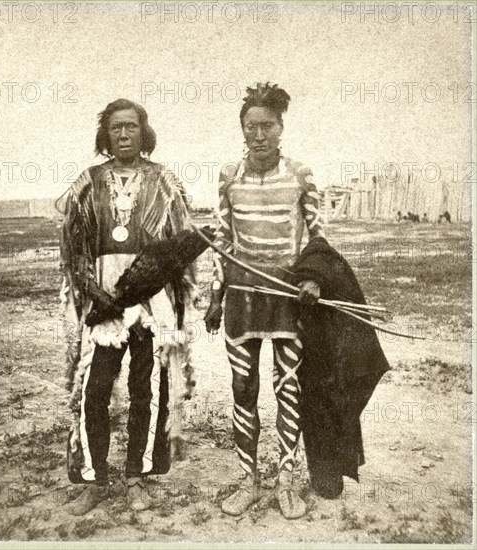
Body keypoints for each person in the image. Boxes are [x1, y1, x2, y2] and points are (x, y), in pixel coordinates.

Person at [59, 99, 195, 515]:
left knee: (145, 388)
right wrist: (90, 288)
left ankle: (137, 475)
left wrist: (164, 293)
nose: (123, 135)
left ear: (143, 132)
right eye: (116, 128)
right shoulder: (87, 182)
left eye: (131, 127)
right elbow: (72, 244)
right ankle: (94, 478)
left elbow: (182, 245)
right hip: (103, 305)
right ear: (106, 134)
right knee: (94, 389)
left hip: (150, 304)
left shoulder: (165, 182)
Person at [204, 83, 325, 519]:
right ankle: (247, 480)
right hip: (241, 298)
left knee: (288, 387)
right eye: (251, 127)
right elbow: (221, 239)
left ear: (280, 128)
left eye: (267, 126)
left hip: (288, 298)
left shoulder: (300, 175)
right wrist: (214, 297)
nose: (259, 135)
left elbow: (319, 238)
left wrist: (312, 280)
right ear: (242, 129)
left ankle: (286, 480)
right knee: (242, 388)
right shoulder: (228, 177)